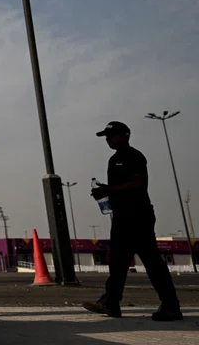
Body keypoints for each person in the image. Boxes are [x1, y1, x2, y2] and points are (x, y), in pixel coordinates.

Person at [82, 121, 183, 321]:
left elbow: (139, 183)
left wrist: (108, 190)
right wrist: (105, 191)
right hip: (121, 216)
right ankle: (111, 302)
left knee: (151, 261)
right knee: (118, 261)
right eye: (107, 137)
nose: (108, 140)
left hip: (138, 215)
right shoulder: (114, 160)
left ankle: (171, 305)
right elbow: (121, 186)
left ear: (125, 135)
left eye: (112, 135)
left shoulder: (134, 156)